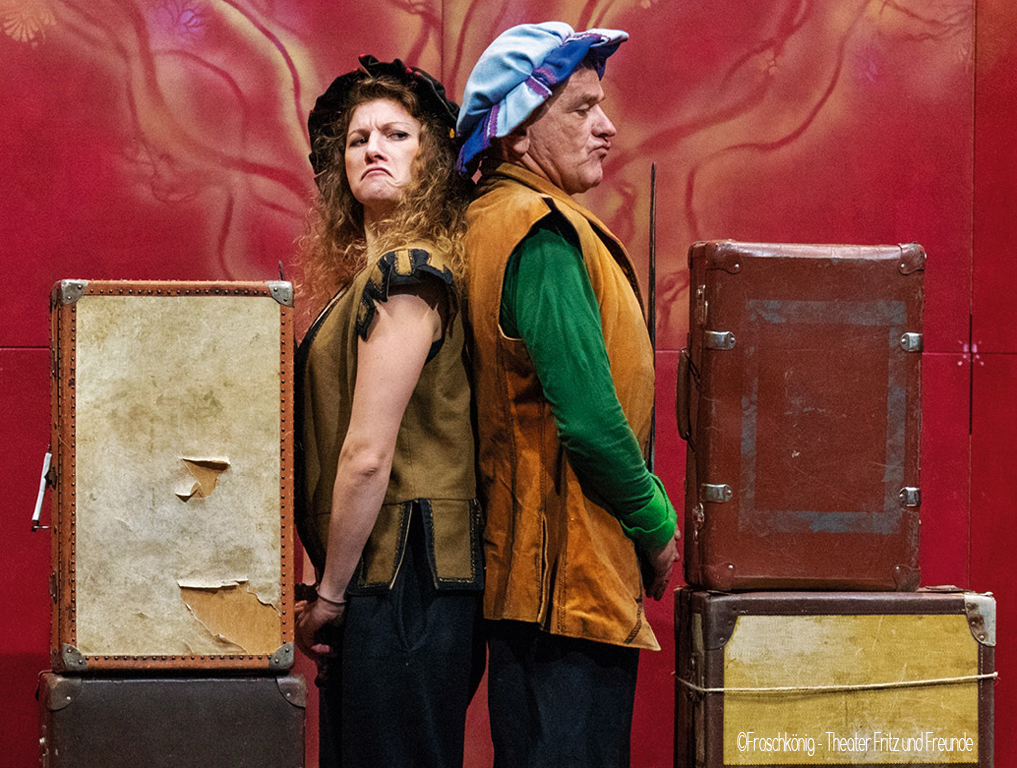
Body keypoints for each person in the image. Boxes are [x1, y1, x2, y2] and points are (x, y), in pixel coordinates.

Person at [457, 22, 680, 767]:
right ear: (518, 132)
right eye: (581, 108)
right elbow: (587, 417)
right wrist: (654, 522)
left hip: (535, 585)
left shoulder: (493, 218)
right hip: (567, 587)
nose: (606, 126)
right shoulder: (542, 235)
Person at [293, 55, 483, 768]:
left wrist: (330, 594)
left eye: (396, 135)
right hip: (383, 577)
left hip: (407, 580)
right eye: (357, 138)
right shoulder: (371, 278)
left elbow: (367, 455)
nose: (373, 148)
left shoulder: (409, 274)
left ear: (431, 157)